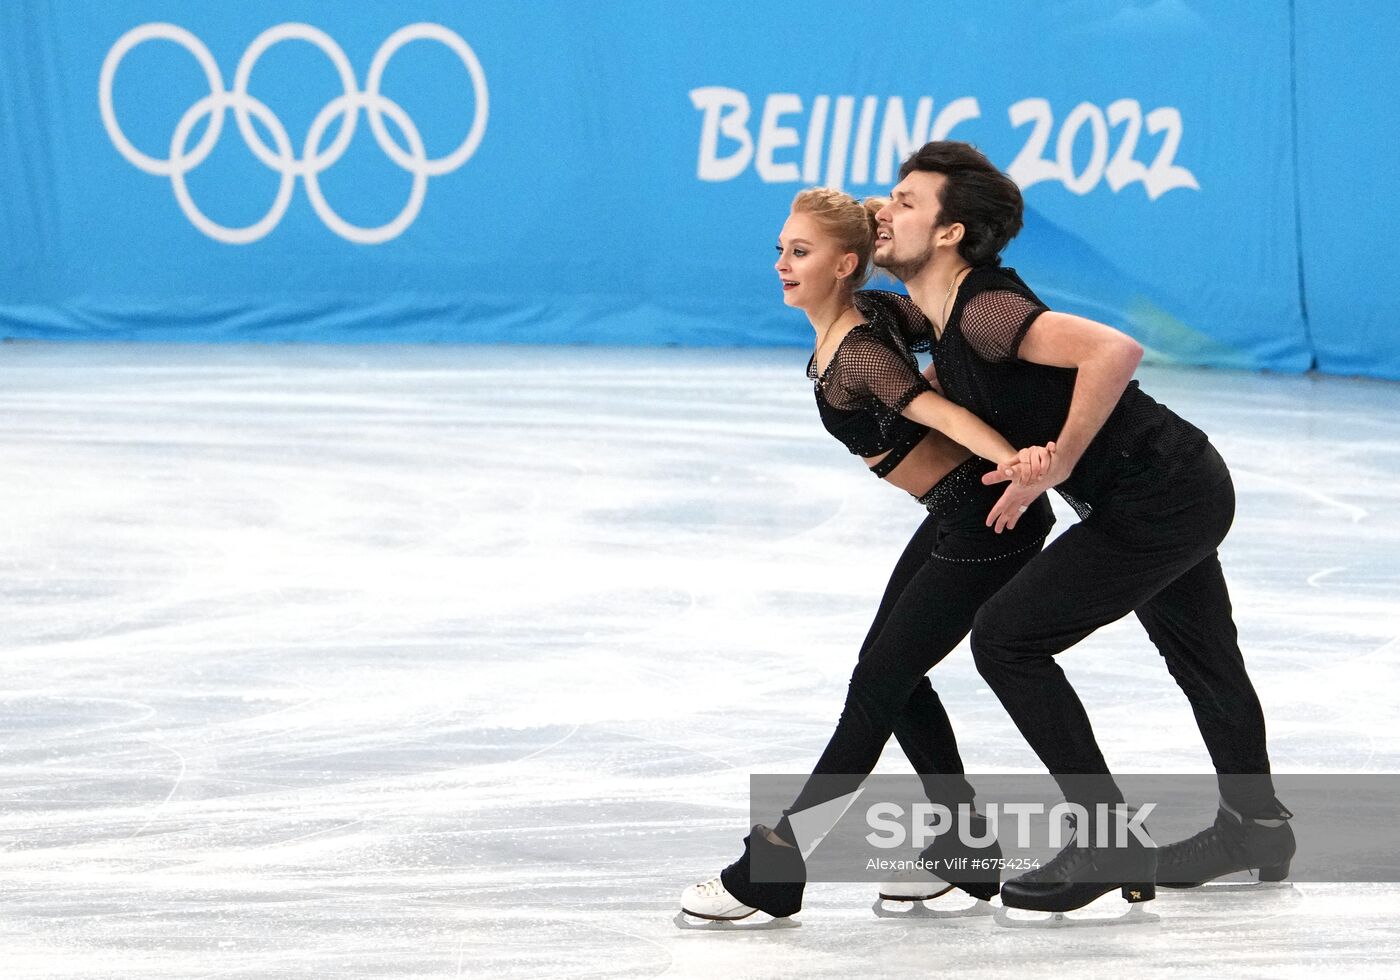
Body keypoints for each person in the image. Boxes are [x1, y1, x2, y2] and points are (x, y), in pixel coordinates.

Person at [867, 141, 1294, 916]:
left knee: (1007, 639)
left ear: (953, 231)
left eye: (904, 201)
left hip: (1161, 491)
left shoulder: (987, 308)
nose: (883, 211)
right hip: (1164, 488)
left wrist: (1059, 460)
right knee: (1201, 654)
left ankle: (1108, 838)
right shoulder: (944, 319)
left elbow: (1114, 349)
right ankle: (1255, 829)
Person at [679, 187, 1056, 923]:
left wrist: (1019, 460)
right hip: (956, 515)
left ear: (844, 263)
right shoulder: (873, 318)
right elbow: (947, 314)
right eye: (782, 250)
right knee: (890, 675)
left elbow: (932, 401)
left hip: (991, 519)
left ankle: (776, 868)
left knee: (878, 686)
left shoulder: (860, 348)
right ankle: (966, 850)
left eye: (802, 252)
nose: (783, 265)